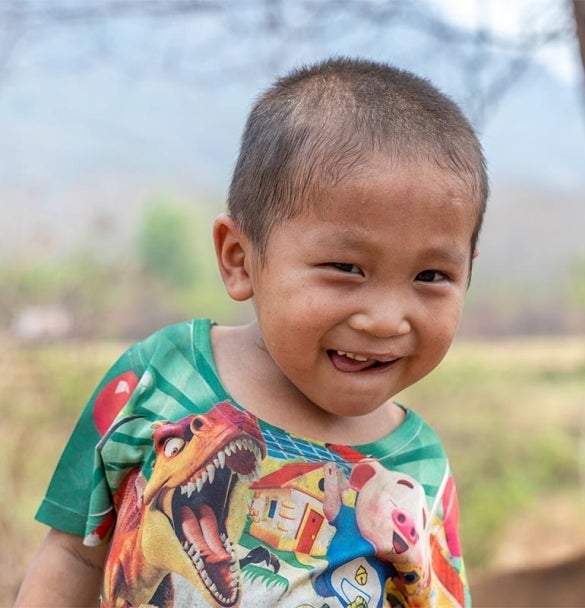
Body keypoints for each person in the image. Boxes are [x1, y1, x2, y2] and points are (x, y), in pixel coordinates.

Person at [15, 56, 488, 608]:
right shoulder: (159, 380)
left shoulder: (417, 467)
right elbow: (73, 553)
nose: (385, 318)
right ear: (241, 259)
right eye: (345, 268)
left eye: (431, 276)